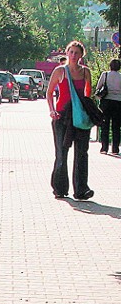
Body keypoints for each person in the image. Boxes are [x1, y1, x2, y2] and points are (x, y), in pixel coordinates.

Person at [46, 41, 94, 200]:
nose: (73, 56)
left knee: (82, 153)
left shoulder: (85, 72)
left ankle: (81, 189)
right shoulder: (60, 71)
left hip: (79, 119)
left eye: (77, 53)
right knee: (61, 153)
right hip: (62, 117)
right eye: (71, 52)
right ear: (67, 53)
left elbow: (88, 95)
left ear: (81, 55)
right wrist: (52, 110)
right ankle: (59, 188)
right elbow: (50, 92)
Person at [95, 58, 121, 155]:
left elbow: (98, 87)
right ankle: (115, 149)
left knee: (105, 125)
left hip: (106, 102)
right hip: (118, 103)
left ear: (110, 66)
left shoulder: (105, 75)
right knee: (116, 126)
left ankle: (104, 148)